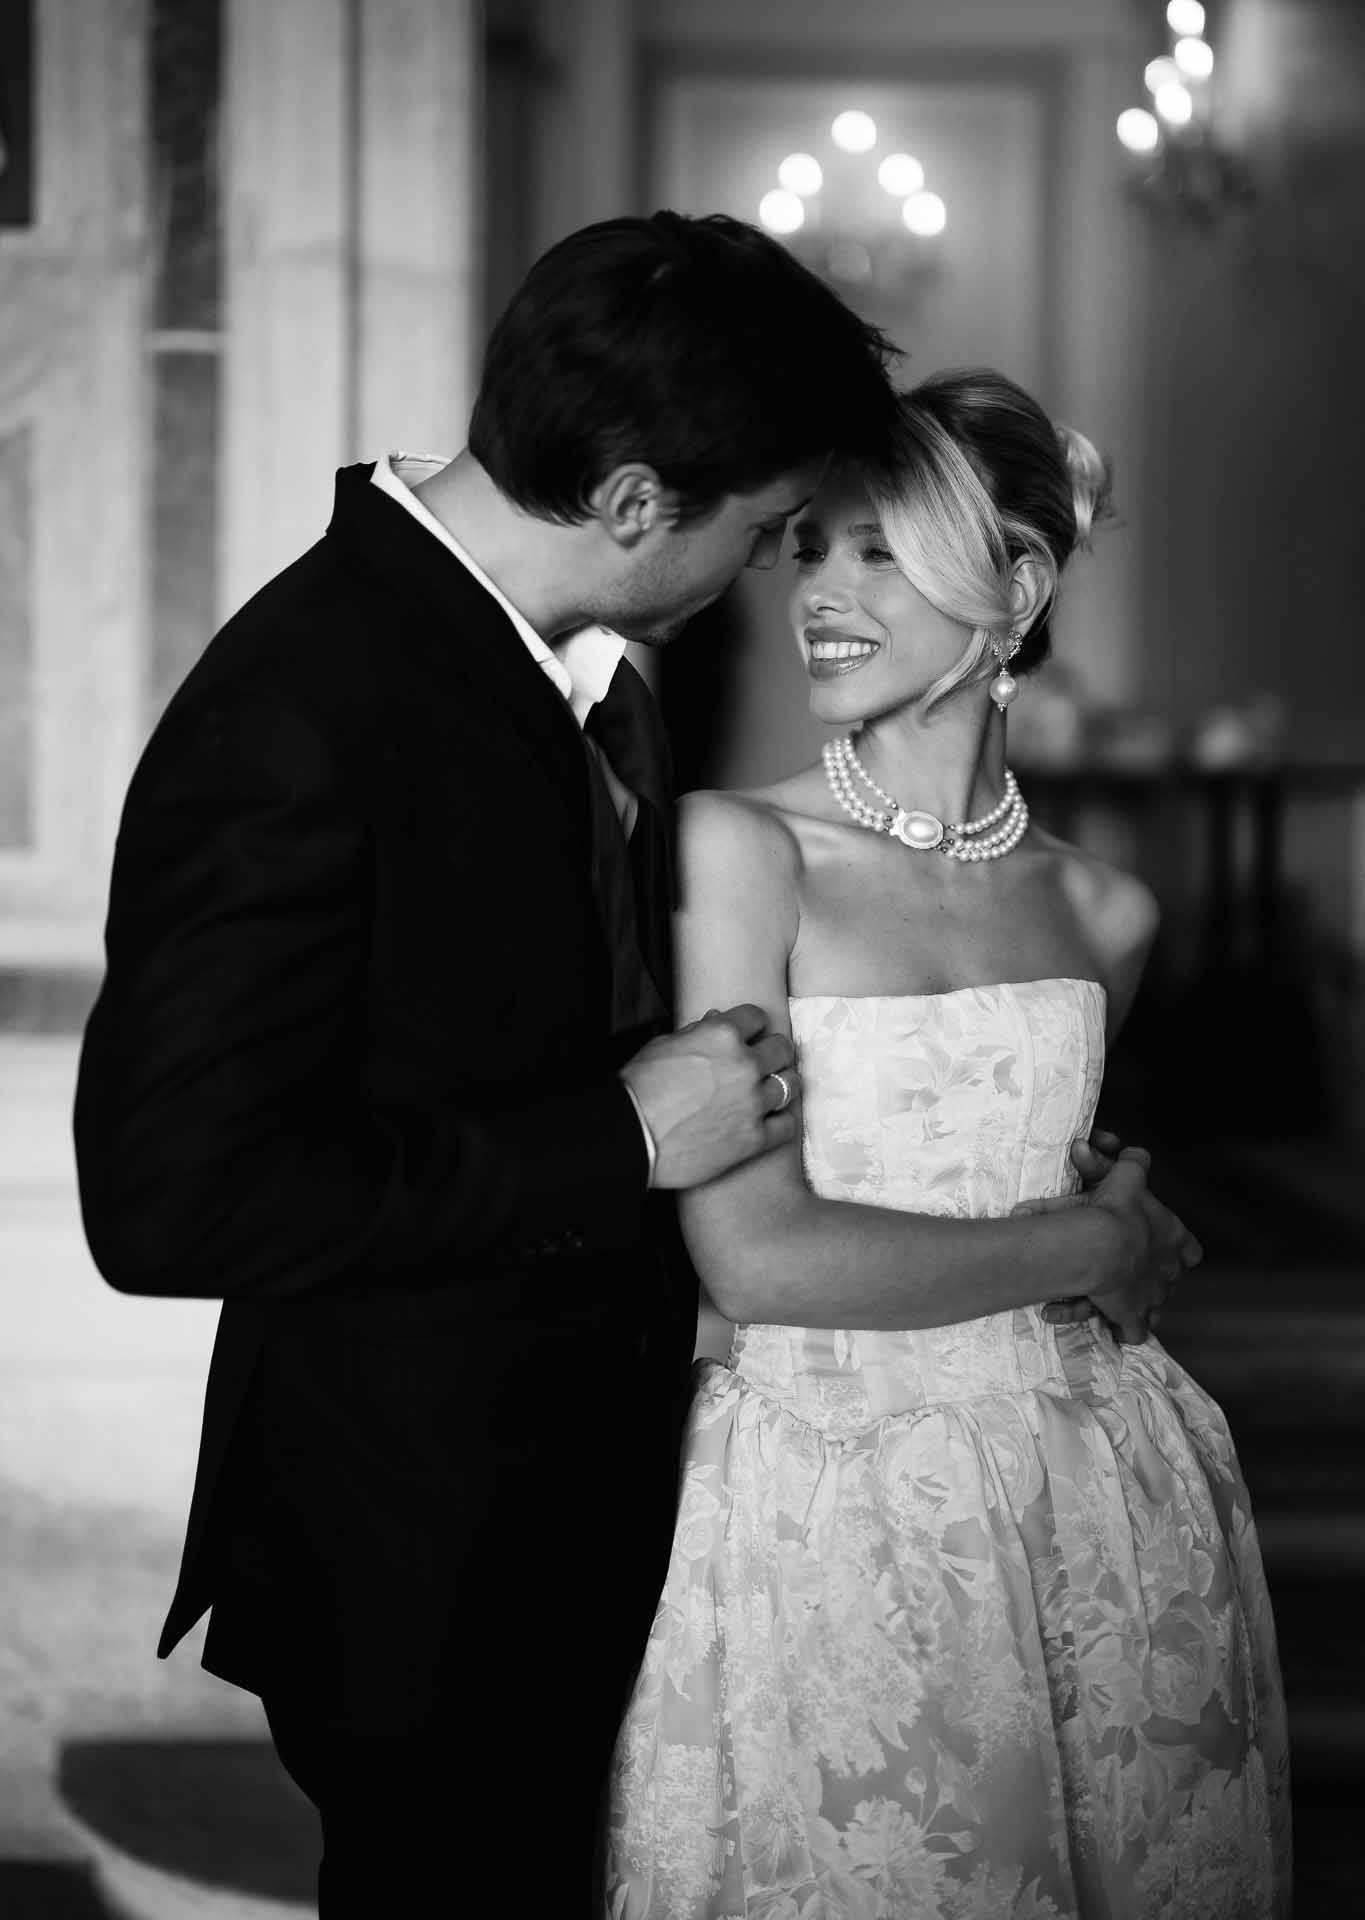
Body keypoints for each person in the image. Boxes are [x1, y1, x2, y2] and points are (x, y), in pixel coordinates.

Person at [74, 210, 1190, 1917]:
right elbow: (166, 1202)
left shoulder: (596, 675)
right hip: (423, 1556)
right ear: (626, 504)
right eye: (768, 530)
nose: (780, 576)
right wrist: (613, 1137)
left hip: (627, 1519)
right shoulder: (300, 702)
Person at [606, 371, 1289, 1919]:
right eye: (811, 551)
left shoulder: (1105, 913)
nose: (821, 597)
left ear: (1014, 588)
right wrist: (1094, 1244)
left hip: (1102, 1497)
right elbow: (756, 1255)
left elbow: (1034, 1165)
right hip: (821, 1498)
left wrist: (1108, 1216)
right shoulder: (737, 849)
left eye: (877, 554)